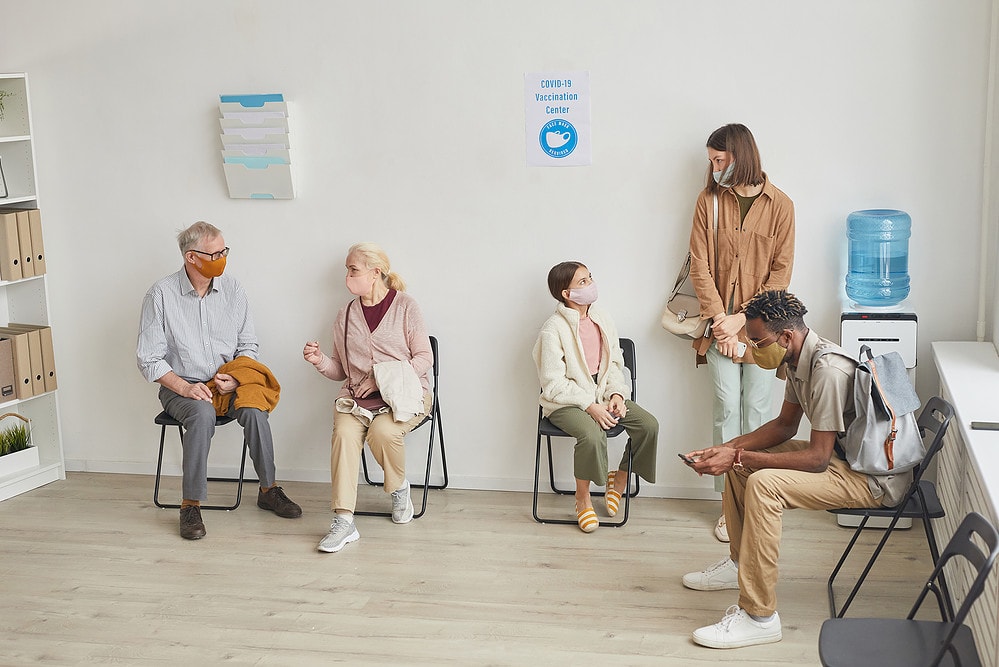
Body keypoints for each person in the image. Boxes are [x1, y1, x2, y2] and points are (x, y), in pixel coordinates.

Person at [680, 290, 909, 649]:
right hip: (846, 457)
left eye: (757, 340)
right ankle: (740, 564)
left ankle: (760, 617)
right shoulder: (796, 358)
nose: (752, 348)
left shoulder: (827, 371)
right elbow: (784, 427)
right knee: (740, 468)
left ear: (786, 336)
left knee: (763, 484)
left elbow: (818, 458)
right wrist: (728, 448)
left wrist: (738, 457)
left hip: (872, 479)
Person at [137, 221, 302, 541]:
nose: (222, 258)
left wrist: (236, 378)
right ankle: (190, 506)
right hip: (182, 387)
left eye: (224, 251)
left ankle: (268, 489)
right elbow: (149, 359)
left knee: (255, 410)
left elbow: (248, 345)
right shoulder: (161, 294)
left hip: (229, 381)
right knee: (202, 413)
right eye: (214, 253)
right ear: (191, 258)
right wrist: (185, 387)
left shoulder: (234, 289)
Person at [687, 123, 795, 543]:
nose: (714, 169)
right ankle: (726, 504)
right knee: (727, 407)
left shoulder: (781, 205)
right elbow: (700, 266)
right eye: (710, 162)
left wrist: (741, 319)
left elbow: (780, 275)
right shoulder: (708, 202)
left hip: (764, 329)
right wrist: (722, 323)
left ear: (740, 156)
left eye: (719, 160)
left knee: (757, 411)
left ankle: (754, 496)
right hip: (718, 327)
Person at [303, 242, 433, 554]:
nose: (347, 275)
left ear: (375, 273)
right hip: (357, 401)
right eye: (347, 269)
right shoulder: (345, 314)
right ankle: (344, 521)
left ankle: (399, 488)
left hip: (403, 397)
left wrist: (379, 378)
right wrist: (319, 360)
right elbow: (340, 370)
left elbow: (424, 357)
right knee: (344, 434)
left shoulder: (405, 307)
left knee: (383, 432)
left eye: (353, 269)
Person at [533, 261, 659, 533]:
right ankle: (583, 500)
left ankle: (620, 479)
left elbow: (614, 363)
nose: (590, 284)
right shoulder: (552, 328)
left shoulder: (601, 317)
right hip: (566, 401)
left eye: (590, 278)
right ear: (566, 293)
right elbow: (552, 383)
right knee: (591, 434)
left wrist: (616, 393)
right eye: (582, 282)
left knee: (648, 425)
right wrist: (590, 406)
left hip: (602, 393)